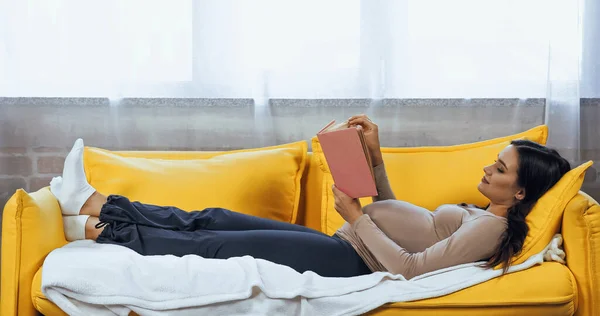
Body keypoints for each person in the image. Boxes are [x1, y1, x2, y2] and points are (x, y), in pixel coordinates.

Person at [51, 115, 571, 279]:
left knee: (215, 244)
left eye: (499, 168)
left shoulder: (493, 228)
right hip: (345, 239)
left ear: (521, 191)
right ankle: (95, 204)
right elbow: (399, 215)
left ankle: (105, 230)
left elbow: (411, 268)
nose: (487, 167)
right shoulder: (479, 212)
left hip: (351, 260)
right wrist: (374, 157)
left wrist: (357, 219)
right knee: (216, 217)